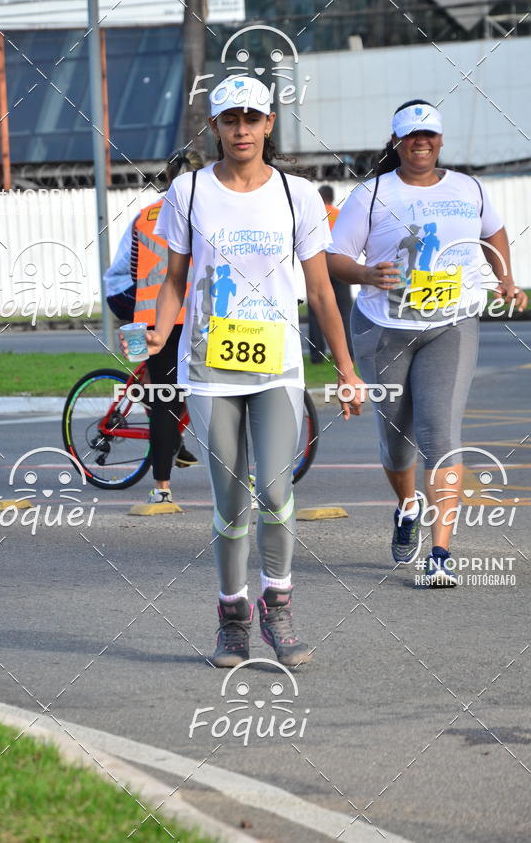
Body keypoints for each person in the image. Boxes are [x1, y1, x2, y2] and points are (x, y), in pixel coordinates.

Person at [139, 75, 363, 667]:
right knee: (230, 499)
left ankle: (279, 605)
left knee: (274, 488)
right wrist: (161, 328)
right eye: (230, 119)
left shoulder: (298, 194)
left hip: (278, 366)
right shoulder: (188, 193)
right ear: (215, 127)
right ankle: (232, 614)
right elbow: (175, 279)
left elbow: (320, 290)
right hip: (211, 366)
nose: (242, 129)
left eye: (252, 118)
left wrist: (346, 368)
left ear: (269, 124)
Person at [327, 99, 527, 586]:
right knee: (398, 443)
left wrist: (505, 278)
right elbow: (333, 259)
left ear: (440, 140)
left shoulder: (469, 188)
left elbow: (494, 230)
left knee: (441, 436)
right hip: (382, 328)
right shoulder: (371, 195)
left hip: (451, 324)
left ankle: (440, 555)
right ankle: (407, 504)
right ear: (396, 143)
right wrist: (367, 272)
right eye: (411, 136)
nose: (421, 143)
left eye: (429, 135)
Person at [105, 150, 203, 505]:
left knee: (166, 396)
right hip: (181, 315)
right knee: (169, 401)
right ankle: (162, 482)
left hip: (147, 311)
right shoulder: (200, 212)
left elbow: (132, 268)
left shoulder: (144, 216)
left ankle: (163, 482)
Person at [307, 185, 353, 363]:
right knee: (344, 311)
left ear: (320, 198)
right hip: (339, 264)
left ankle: (316, 356)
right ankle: (348, 353)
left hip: (318, 265)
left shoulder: (315, 217)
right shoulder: (340, 215)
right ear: (332, 197)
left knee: (316, 311)